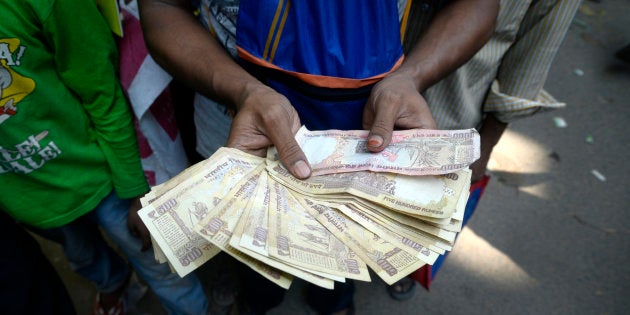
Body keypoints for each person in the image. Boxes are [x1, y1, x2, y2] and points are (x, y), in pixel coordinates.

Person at [139, 0, 498, 313]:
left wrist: (411, 77)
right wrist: (242, 90)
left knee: (349, 243)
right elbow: (162, 7)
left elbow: (478, 4)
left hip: (370, 125)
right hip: (236, 124)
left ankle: (332, 301)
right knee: (250, 241)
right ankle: (258, 298)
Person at [0, 1, 208, 314]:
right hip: (26, 198)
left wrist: (137, 191)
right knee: (83, 257)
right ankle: (115, 284)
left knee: (161, 265)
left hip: (103, 177)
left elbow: (101, 89)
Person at [386, 0, 581, 299]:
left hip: (449, 119)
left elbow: (531, 59)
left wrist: (485, 145)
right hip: (362, 95)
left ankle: (403, 267)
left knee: (418, 219)